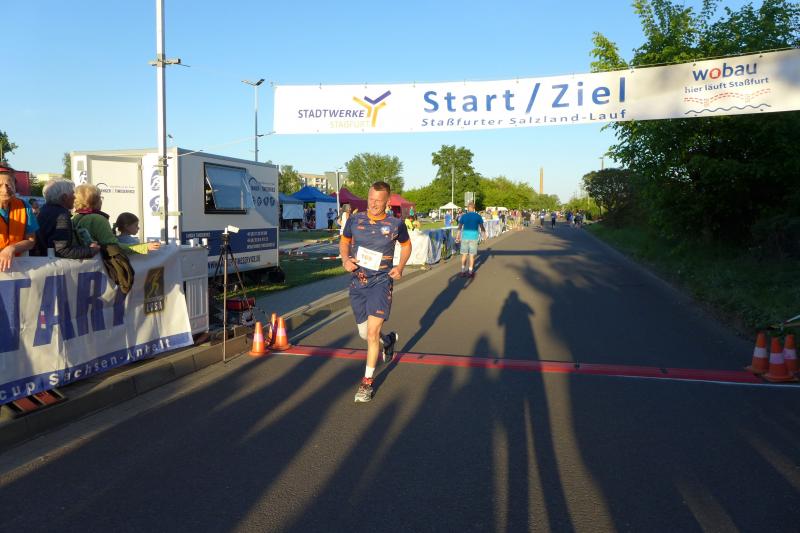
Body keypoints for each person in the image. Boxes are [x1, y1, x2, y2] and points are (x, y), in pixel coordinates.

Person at [340, 181, 412, 403]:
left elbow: (407, 246)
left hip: (381, 283)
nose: (373, 204)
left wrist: (400, 267)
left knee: (371, 335)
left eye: (378, 201)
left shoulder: (396, 224)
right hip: (358, 283)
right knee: (365, 333)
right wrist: (345, 259)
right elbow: (344, 242)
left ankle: (366, 383)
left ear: (387, 202)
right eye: (370, 199)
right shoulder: (355, 220)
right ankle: (388, 341)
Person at [72, 184, 158, 252]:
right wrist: (143, 247)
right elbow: (113, 247)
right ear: (94, 200)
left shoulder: (75, 218)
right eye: (100, 197)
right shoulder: (98, 219)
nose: (101, 200)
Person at [34, 179, 99, 259]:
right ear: (64, 197)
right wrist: (91, 250)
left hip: (41, 259)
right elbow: (61, 250)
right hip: (52, 262)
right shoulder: (61, 216)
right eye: (73, 193)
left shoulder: (43, 210)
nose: (75, 197)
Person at [0, 167, 38, 272]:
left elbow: (31, 240)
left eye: (9, 185)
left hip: (17, 267)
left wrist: (12, 248)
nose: (5, 190)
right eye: (0, 185)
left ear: (15, 186)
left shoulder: (24, 207)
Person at [455, 202, 486, 278]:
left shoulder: (464, 216)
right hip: (474, 237)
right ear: (474, 208)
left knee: (464, 255)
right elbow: (482, 227)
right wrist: (484, 235)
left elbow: (459, 227)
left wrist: (457, 236)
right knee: (471, 255)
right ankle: (470, 272)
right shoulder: (478, 216)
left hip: (465, 237)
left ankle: (462, 271)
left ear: (468, 208)